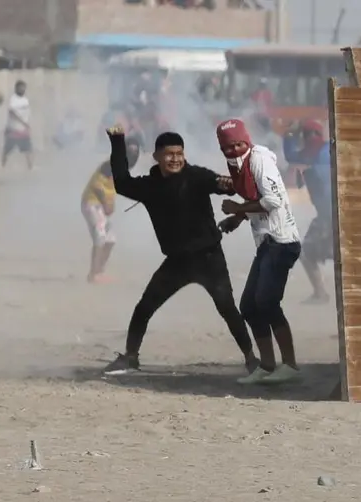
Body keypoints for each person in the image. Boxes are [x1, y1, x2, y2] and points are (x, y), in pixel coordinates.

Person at [101, 127, 258, 376]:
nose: (175, 159)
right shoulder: (149, 186)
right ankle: (130, 357)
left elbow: (221, 184)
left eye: (179, 153)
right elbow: (120, 182)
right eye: (169, 154)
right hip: (177, 262)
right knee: (144, 308)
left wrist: (229, 183)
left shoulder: (196, 176)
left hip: (209, 258)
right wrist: (117, 142)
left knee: (227, 308)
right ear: (156, 157)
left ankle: (251, 359)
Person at [214, 118, 303, 385]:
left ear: (247, 140)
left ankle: (290, 365)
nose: (234, 150)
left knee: (267, 302)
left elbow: (274, 201)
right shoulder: (239, 165)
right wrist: (238, 219)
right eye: (228, 147)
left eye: (239, 144)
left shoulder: (259, 160)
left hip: (281, 241)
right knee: (249, 307)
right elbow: (255, 200)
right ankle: (266, 366)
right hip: (266, 242)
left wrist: (237, 209)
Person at [81, 135, 141, 284]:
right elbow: (97, 185)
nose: (133, 153)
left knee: (111, 240)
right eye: (130, 150)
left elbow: (110, 188)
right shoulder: (110, 165)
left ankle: (99, 272)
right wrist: (106, 203)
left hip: (100, 205)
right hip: (92, 202)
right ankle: (93, 275)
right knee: (100, 237)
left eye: (135, 150)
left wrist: (110, 204)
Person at [299, 133, 333, 303]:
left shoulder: (323, 160)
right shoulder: (322, 156)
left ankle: (320, 294)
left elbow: (329, 194)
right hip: (329, 217)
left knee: (306, 252)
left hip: (330, 218)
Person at [3, 80, 33, 169]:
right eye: (20, 88)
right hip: (13, 129)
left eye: (24, 88)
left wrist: (27, 125)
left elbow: (27, 114)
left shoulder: (25, 100)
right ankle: (3, 167)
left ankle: (30, 168)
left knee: (28, 150)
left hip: (23, 130)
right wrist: (23, 122)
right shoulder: (13, 99)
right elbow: (12, 113)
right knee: (7, 151)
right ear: (16, 89)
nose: (22, 89)